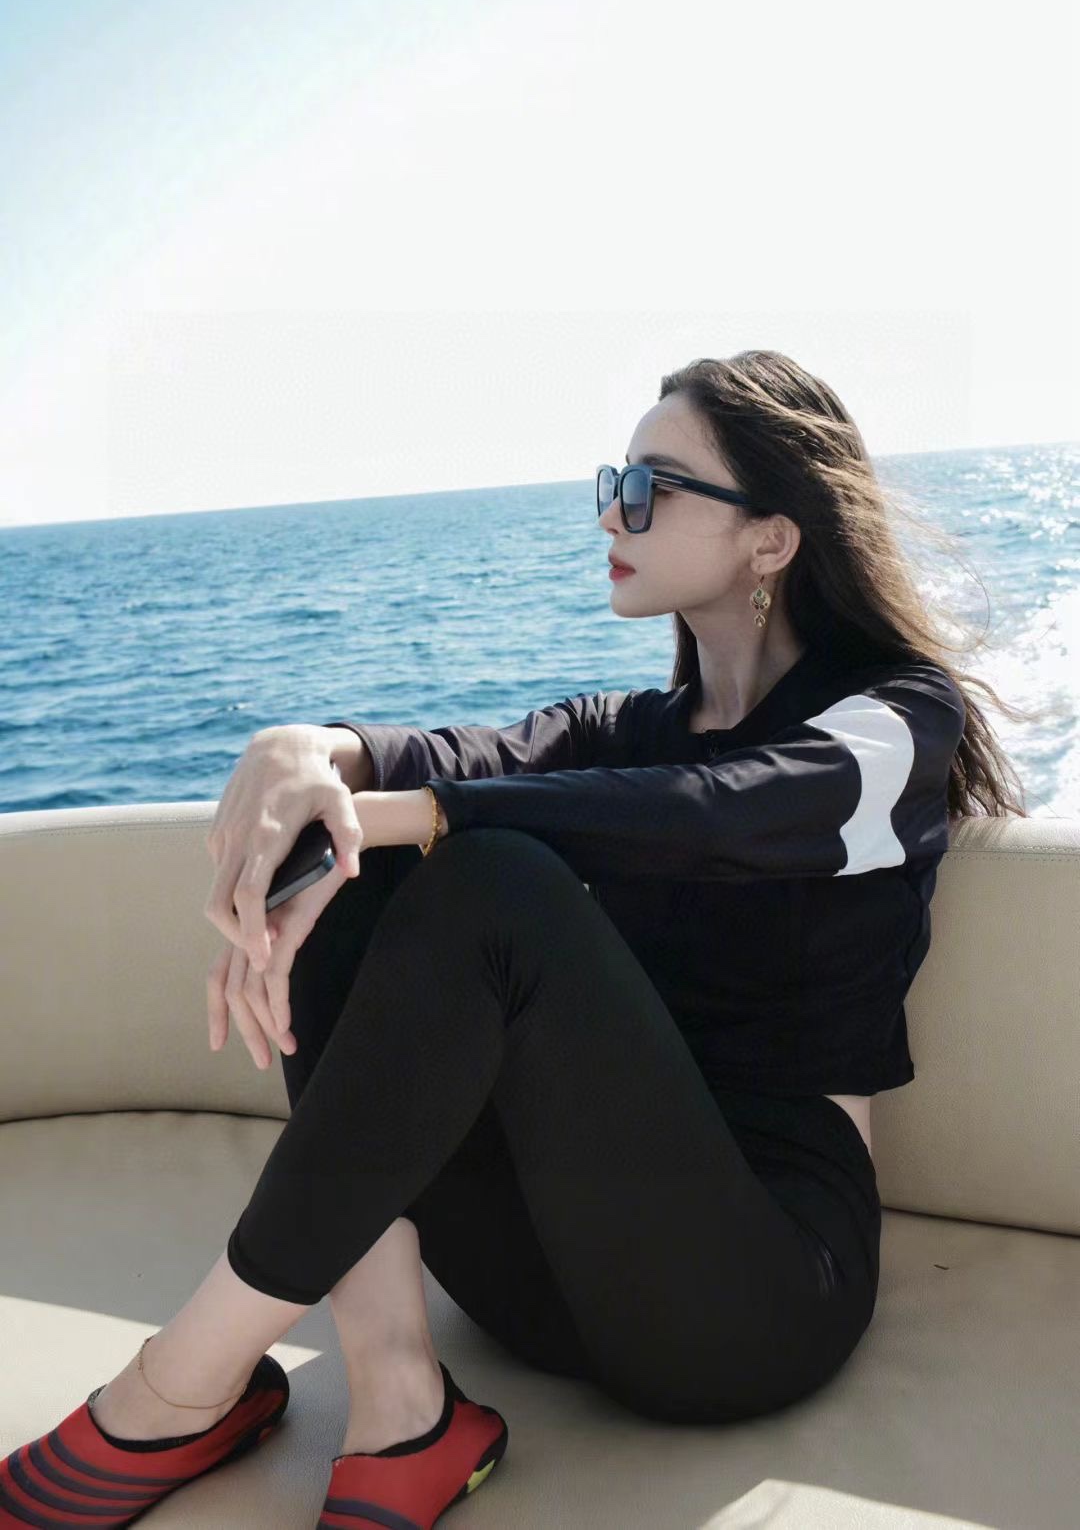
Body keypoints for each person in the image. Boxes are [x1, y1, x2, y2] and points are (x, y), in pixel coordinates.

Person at [2, 351, 1032, 1530]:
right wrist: (307, 749)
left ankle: (179, 1383)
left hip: (752, 1301)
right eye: (613, 482)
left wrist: (407, 812)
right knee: (358, 865)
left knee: (484, 872)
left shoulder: (898, 718)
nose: (610, 514)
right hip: (545, 1284)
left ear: (772, 539)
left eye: (649, 488)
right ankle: (401, 1407)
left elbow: (725, 811)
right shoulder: (626, 728)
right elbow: (452, 758)